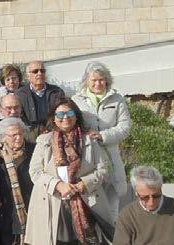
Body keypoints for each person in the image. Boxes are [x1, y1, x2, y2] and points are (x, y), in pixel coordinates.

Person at [24, 98, 112, 245]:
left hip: (85, 199)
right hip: (54, 201)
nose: (65, 117)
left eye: (69, 112)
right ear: (53, 119)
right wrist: (58, 185)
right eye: (60, 114)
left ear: (76, 115)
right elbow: (35, 171)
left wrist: (85, 183)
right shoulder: (44, 140)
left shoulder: (89, 140)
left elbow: (103, 169)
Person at [71, 61, 132, 222]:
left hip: (111, 156)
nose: (98, 83)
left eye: (101, 79)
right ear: (86, 81)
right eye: (94, 80)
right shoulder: (76, 100)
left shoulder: (117, 99)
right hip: (87, 159)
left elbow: (125, 127)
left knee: (113, 205)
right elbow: (72, 126)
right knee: (90, 205)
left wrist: (103, 135)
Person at [113, 166, 174, 245]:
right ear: (136, 193)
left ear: (161, 188)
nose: (151, 202)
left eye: (156, 196)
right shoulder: (127, 216)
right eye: (144, 197)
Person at [0, 117, 34, 244]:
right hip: (6, 213)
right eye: (13, 135)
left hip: (31, 209)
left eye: (20, 133)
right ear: (3, 137)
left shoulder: (33, 151)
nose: (18, 137)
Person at [15, 60, 65, 137]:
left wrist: (50, 129)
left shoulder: (56, 92)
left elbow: (61, 113)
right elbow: (20, 118)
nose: (39, 73)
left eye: (42, 71)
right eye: (35, 71)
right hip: (30, 135)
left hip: (54, 132)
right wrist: (38, 131)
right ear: (27, 76)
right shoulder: (20, 94)